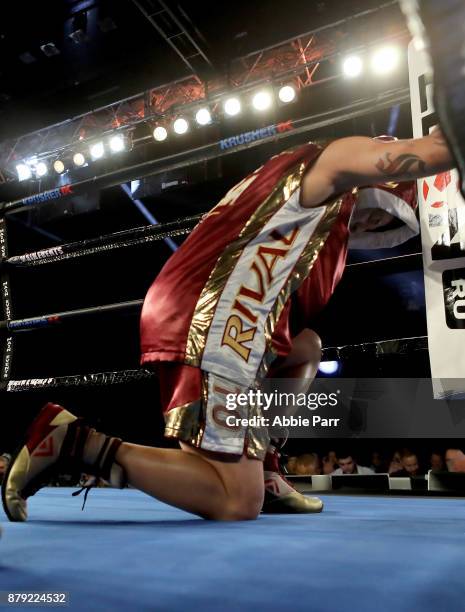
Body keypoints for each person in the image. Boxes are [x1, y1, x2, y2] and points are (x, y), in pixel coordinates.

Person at [2, 127, 454, 522]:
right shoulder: (331, 163)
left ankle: (267, 464)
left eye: (382, 222)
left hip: (230, 318)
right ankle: (75, 441)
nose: (372, 221)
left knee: (306, 347)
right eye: (378, 208)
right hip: (213, 317)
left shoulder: (316, 226)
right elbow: (429, 150)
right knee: (236, 502)